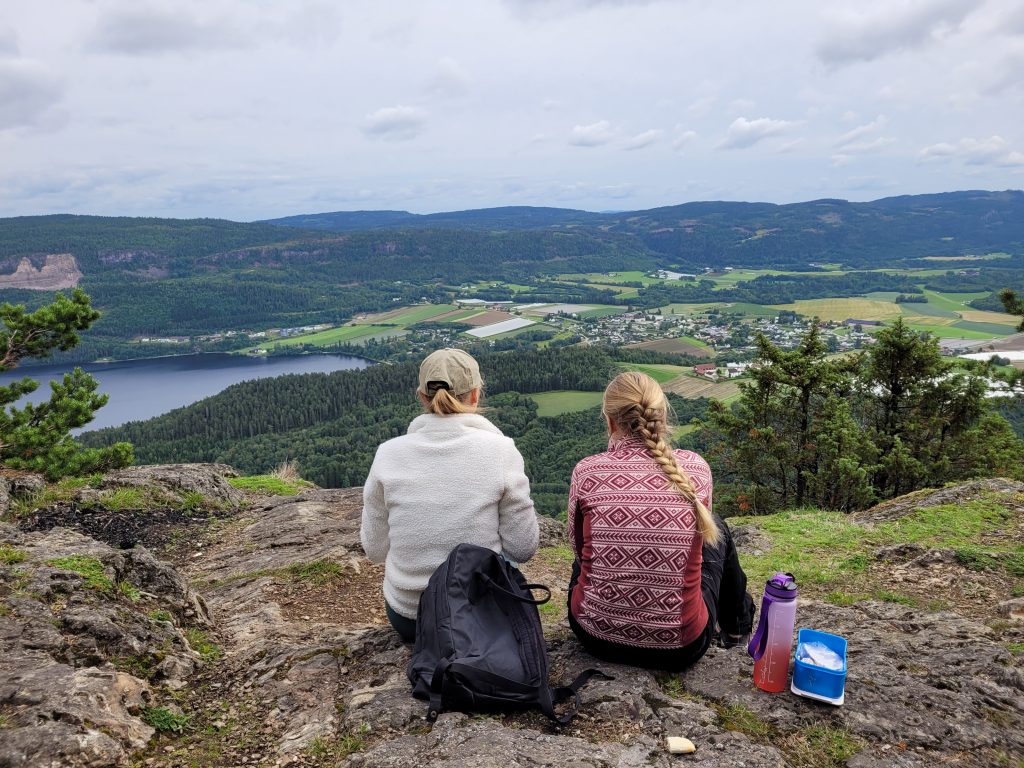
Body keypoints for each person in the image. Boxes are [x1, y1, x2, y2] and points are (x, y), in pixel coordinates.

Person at [566, 370, 754, 670]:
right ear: (662, 417)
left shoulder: (587, 472)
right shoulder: (695, 468)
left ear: (609, 420)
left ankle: (610, 608)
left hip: (595, 637)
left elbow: (577, 550)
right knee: (717, 527)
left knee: (590, 550)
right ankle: (736, 628)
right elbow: (699, 546)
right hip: (681, 647)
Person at [361, 348, 540, 642]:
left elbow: (375, 550)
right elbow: (523, 548)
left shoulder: (387, 454)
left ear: (422, 396)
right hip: (479, 616)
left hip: (409, 617)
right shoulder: (501, 451)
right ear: (475, 395)